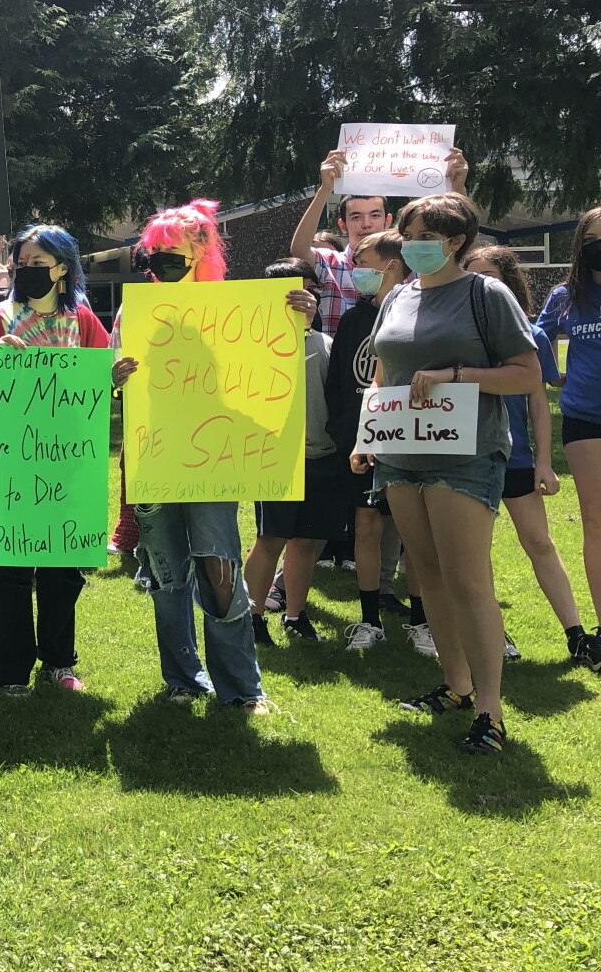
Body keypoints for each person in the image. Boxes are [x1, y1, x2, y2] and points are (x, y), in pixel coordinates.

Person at [356, 188, 538, 755]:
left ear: (457, 242)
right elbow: (383, 371)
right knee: (428, 576)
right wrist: (366, 435)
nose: (411, 248)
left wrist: (455, 375)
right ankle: (457, 687)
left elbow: (526, 375)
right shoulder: (397, 295)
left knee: (467, 580)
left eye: (425, 239)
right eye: (407, 237)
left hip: (466, 457)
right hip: (399, 454)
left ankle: (491, 711)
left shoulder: (487, 294)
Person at [112, 200, 277, 712]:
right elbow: (115, 383)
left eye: (173, 250)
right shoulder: (135, 311)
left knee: (219, 565)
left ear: (202, 251)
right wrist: (115, 378)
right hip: (155, 455)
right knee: (166, 570)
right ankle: (183, 678)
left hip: (214, 458)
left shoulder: (235, 309)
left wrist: (297, 317)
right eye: (155, 252)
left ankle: (241, 687)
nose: (161, 261)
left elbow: (263, 369)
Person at [0, 224, 109, 693]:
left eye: (38, 264)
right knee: (11, 569)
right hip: (9, 464)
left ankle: (60, 660)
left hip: (67, 463)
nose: (26, 271)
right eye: (20, 263)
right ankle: (9, 670)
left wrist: (115, 378)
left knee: (64, 568)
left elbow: (97, 383)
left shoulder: (84, 323)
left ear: (63, 269)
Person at [466, 246, 598, 667]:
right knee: (475, 554)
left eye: (490, 276)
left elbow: (539, 404)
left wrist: (544, 461)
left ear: (508, 282)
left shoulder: (531, 334)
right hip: (466, 462)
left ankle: (577, 635)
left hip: (517, 458)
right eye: (473, 276)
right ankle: (493, 635)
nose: (481, 285)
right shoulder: (452, 332)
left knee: (539, 542)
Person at [323, 230, 424, 653]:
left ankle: (422, 621)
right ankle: (369, 621)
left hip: (412, 438)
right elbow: (339, 384)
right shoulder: (353, 320)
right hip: (362, 443)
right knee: (365, 525)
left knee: (414, 532)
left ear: (392, 266)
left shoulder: (419, 312)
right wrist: (347, 431)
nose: (355, 273)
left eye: (362, 264)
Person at [242, 258, 339, 646]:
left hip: (323, 457)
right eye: (297, 290)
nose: (307, 298)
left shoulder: (327, 345)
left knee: (307, 541)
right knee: (271, 537)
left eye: (312, 290)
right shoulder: (254, 346)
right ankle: (251, 618)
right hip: (275, 457)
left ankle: (295, 615)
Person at [536, 205, 601, 657]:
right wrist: (551, 373)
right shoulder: (566, 295)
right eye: (593, 240)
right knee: (595, 521)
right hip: (584, 418)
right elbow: (536, 335)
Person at [290, 150, 395, 336]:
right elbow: (299, 249)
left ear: (387, 221)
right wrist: (325, 189)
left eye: (374, 215)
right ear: (343, 226)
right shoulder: (330, 263)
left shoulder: (407, 267)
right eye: (356, 217)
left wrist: (452, 184)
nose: (366, 224)